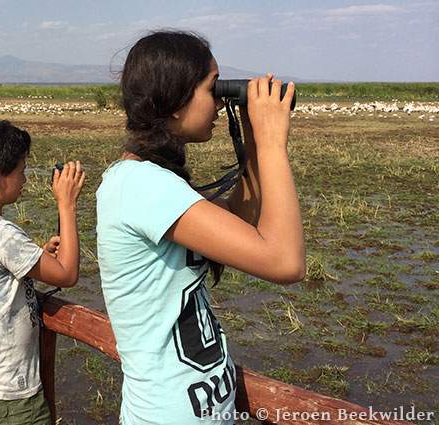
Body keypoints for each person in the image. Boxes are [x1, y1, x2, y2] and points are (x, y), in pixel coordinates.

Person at [96, 30, 306, 424]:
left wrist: (252, 138)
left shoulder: (150, 181)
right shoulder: (142, 185)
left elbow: (240, 220)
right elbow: (285, 262)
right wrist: (275, 143)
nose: (220, 102)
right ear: (175, 101)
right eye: (213, 88)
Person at [0, 120, 86, 424]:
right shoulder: (1, 234)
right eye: (21, 171)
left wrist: (38, 258)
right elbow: (68, 275)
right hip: (8, 394)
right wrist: (67, 204)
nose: (24, 179)